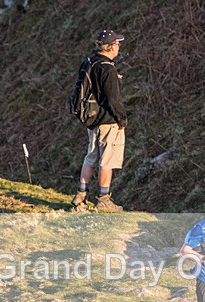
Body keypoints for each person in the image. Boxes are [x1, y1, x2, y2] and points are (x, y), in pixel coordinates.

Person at [70, 30, 128, 212]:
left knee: (90, 157)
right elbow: (112, 100)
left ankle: (80, 195)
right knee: (107, 161)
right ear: (110, 47)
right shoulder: (107, 68)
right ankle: (103, 199)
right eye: (117, 44)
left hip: (92, 120)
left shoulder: (89, 62)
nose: (119, 46)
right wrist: (122, 119)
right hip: (108, 121)